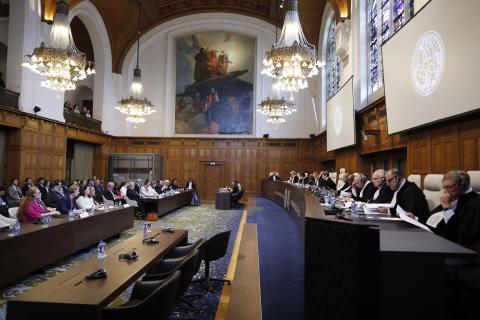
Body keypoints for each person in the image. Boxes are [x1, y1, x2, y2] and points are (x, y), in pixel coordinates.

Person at [430, 171, 480, 251]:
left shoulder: (475, 203)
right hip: (441, 241)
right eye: (444, 188)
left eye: (449, 187)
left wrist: (446, 208)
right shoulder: (454, 196)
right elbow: (433, 216)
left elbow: (463, 234)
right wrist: (415, 218)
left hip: (459, 249)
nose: (446, 192)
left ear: (462, 185)